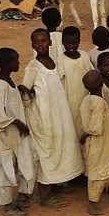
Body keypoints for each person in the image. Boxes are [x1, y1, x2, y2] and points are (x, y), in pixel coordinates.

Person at [23, 29, 84, 207]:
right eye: (36, 42)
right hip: (43, 119)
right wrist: (31, 95)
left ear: (50, 42)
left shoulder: (53, 62)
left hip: (58, 115)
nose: (40, 44)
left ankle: (57, 182)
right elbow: (24, 92)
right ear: (32, 45)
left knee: (60, 148)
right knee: (47, 153)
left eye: (43, 41)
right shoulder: (32, 67)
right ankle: (45, 194)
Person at [0, 47, 35, 216]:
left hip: (15, 135)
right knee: (5, 167)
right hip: (5, 136)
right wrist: (16, 122)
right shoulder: (1, 86)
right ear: (8, 64)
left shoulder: (9, 81)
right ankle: (7, 206)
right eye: (16, 60)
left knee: (26, 160)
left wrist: (20, 89)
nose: (19, 63)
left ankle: (23, 196)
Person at [78, 70, 109, 216]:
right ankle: (93, 203)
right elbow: (96, 127)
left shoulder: (87, 100)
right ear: (101, 84)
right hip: (100, 143)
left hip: (104, 142)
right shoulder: (98, 102)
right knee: (98, 173)